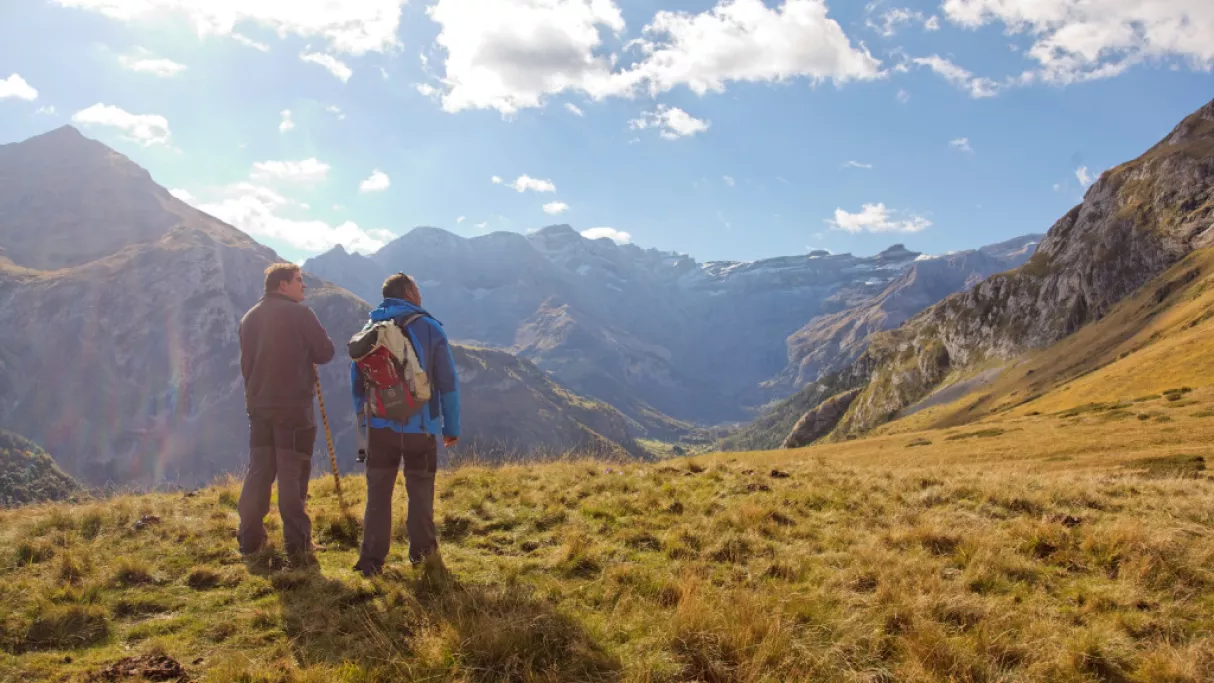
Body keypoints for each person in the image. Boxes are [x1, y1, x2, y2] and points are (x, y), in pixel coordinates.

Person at [351, 272, 460, 576]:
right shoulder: (429, 328)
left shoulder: (368, 330)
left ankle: (370, 563)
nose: (421, 295)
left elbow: (357, 386)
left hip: (380, 429)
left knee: (378, 495)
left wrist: (365, 429)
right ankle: (424, 559)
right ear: (409, 292)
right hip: (419, 429)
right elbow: (448, 383)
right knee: (421, 491)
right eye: (418, 289)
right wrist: (450, 428)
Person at [236, 263, 336, 559]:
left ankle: (250, 540)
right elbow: (326, 352)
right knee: (293, 475)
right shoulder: (301, 314)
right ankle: (298, 543)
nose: (303, 285)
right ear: (282, 285)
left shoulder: (249, 318)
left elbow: (246, 367)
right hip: (294, 409)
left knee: (260, 471)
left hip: (259, 407)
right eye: (299, 280)